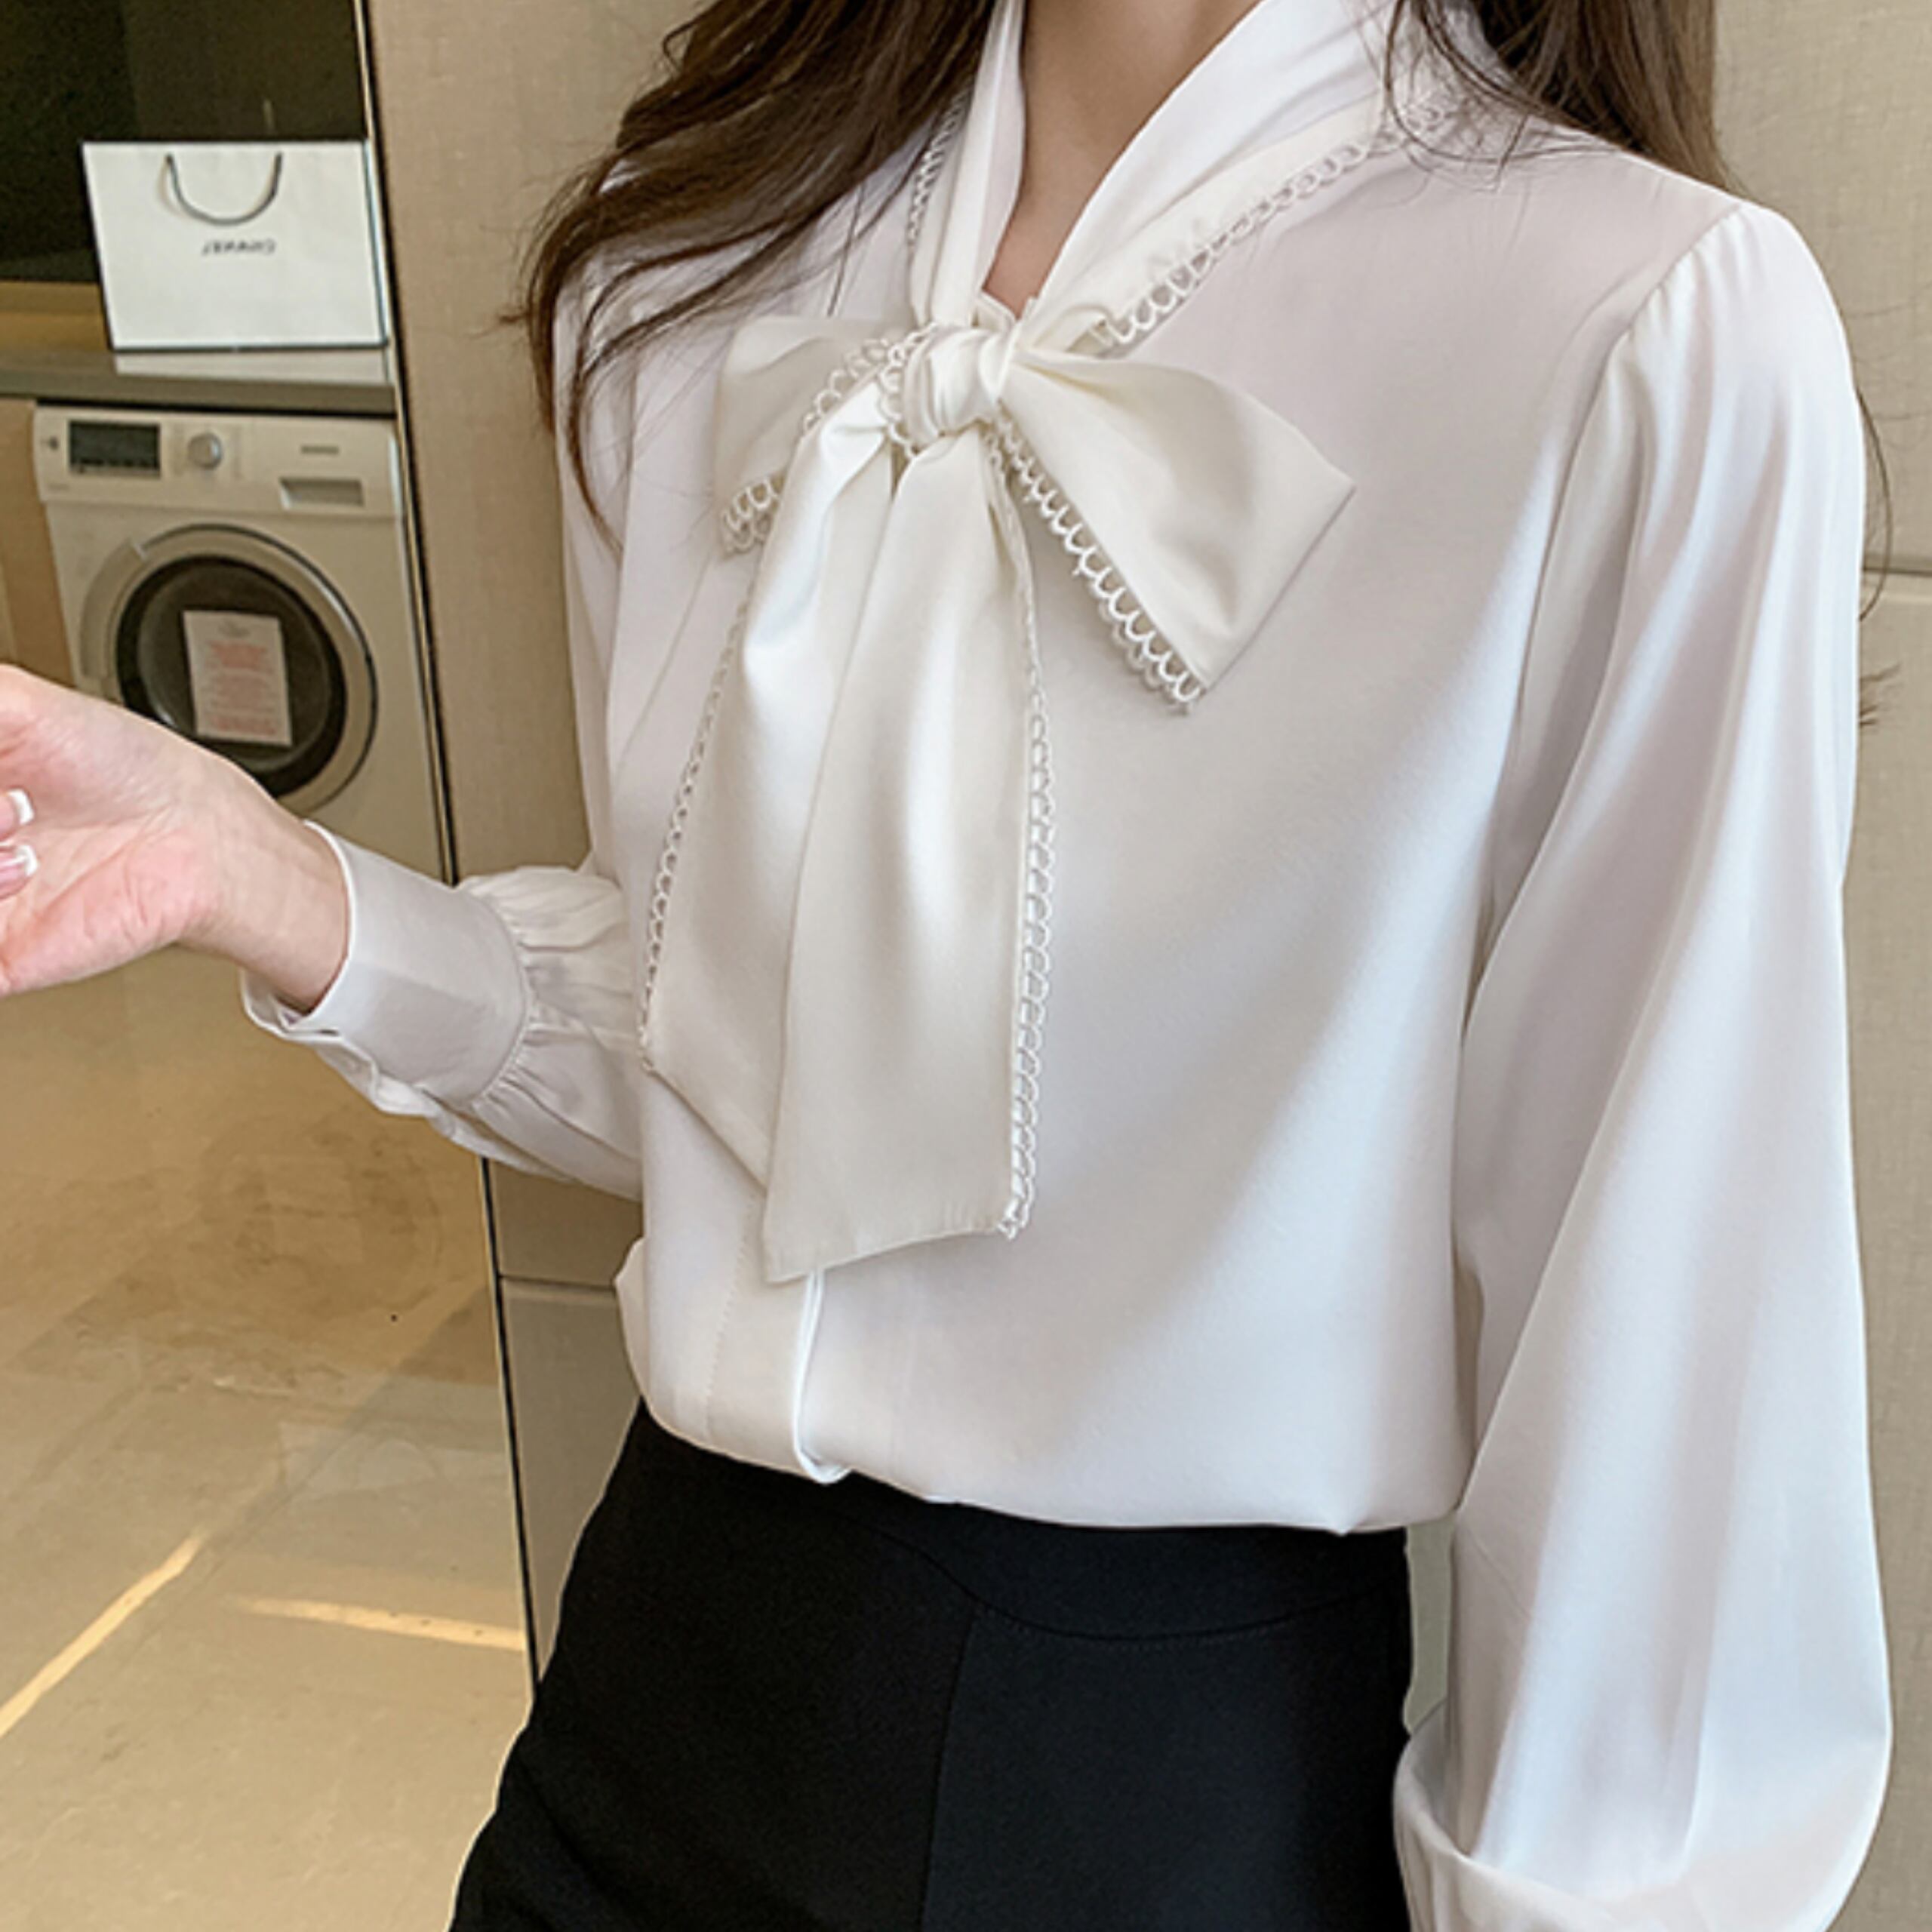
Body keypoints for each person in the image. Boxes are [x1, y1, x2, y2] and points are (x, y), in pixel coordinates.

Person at [0, 0, 1896, 1924]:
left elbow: (1659, 1321)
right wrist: (266, 874)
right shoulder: (698, 256)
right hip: (641, 1686)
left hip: (1143, 1783)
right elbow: (715, 1086)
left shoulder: (1638, 328)